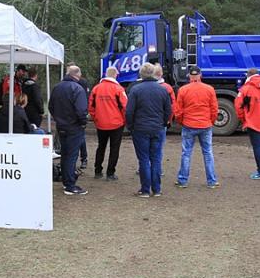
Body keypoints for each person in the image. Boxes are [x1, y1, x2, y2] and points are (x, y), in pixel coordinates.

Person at [125, 63, 172, 197]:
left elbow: (129, 111)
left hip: (140, 128)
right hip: (157, 127)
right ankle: (156, 189)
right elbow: (168, 110)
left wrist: (131, 126)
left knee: (144, 159)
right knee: (156, 158)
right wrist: (163, 123)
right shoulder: (162, 90)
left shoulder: (136, 90)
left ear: (141, 74)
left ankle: (145, 189)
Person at [174, 65, 220, 188]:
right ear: (200, 75)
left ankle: (183, 180)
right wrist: (210, 121)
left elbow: (178, 110)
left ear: (189, 76)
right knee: (208, 152)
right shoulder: (209, 89)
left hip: (189, 124)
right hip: (205, 124)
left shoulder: (183, 90)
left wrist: (181, 121)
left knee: (186, 153)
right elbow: (214, 109)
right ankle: (212, 181)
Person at [48, 65, 89, 196]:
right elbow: (81, 110)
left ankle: (66, 181)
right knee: (71, 155)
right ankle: (70, 185)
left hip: (61, 126)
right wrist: (83, 123)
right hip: (74, 127)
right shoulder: (77, 89)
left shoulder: (57, 87)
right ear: (78, 75)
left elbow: (50, 106)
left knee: (65, 154)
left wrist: (58, 118)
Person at [88, 66, 128, 180]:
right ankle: (110, 173)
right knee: (114, 148)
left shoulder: (96, 88)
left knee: (101, 147)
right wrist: (124, 120)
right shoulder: (119, 89)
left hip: (101, 123)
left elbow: (91, 107)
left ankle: (98, 171)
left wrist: (96, 118)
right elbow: (125, 107)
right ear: (115, 75)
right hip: (116, 124)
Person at [77, 75, 91, 169]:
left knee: (81, 137)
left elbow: (87, 97)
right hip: (72, 115)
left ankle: (84, 158)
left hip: (80, 114)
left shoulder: (83, 82)